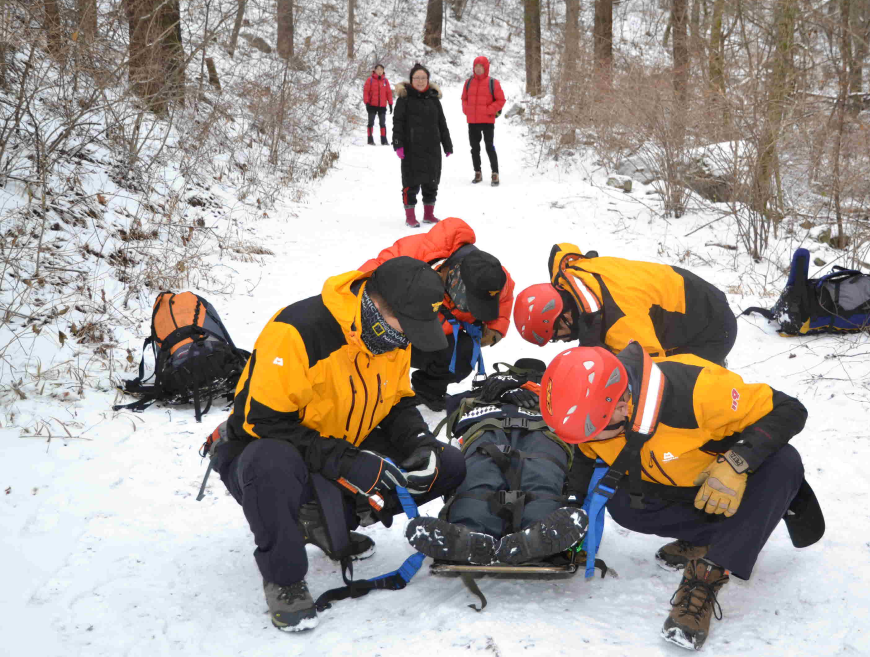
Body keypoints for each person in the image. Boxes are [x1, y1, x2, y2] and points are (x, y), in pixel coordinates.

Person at [208, 257, 467, 632]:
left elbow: (397, 401)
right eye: (410, 327)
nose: (412, 338)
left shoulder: (391, 336)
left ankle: (327, 521)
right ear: (380, 307)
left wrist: (419, 442)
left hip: (340, 441)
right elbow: (262, 423)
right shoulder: (297, 333)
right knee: (271, 463)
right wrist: (348, 462)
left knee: (448, 464)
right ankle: (284, 579)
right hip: (265, 450)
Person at [540, 343, 814, 651]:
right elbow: (585, 456)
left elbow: (791, 409)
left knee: (785, 462)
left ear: (621, 408)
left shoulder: (699, 390)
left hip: (731, 483)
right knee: (622, 503)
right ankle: (711, 537)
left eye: (592, 433)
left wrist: (737, 463)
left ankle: (705, 577)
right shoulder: (598, 413)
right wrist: (571, 506)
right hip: (678, 482)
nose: (588, 441)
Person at [404, 359, 589, 566]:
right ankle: (473, 536)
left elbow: (588, 405)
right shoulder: (491, 387)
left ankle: (531, 534)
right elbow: (455, 407)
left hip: (535, 430)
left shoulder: (559, 392)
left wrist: (534, 391)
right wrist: (493, 393)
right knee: (519, 473)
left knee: (492, 475)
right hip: (493, 426)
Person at [359, 217, 514, 412]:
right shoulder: (408, 258)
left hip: (434, 334)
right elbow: (361, 287)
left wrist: (495, 328)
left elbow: (505, 298)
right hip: (393, 331)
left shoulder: (492, 276)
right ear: (452, 276)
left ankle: (427, 390)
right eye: (471, 303)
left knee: (465, 352)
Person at [513, 243, 738, 366]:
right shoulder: (571, 273)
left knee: (681, 393)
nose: (561, 341)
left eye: (555, 336)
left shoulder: (619, 324)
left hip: (713, 327)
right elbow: (561, 249)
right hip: (690, 293)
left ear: (564, 317)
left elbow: (652, 375)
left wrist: (600, 352)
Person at [393, 63, 454, 228]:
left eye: (423, 78)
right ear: (411, 80)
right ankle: (410, 216)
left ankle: (428, 214)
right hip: (411, 148)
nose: (420, 81)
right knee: (411, 182)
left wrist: (447, 144)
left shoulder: (433, 99)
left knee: (431, 182)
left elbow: (442, 123)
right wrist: (398, 144)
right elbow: (398, 123)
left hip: (432, 148)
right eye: (417, 78)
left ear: (428, 80)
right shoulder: (404, 99)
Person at [461, 56, 506, 187]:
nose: (478, 69)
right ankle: (478, 172)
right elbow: (464, 99)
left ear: (486, 68)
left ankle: (495, 173)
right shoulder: (468, 83)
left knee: (489, 147)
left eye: (481, 66)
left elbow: (501, 100)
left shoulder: (493, 83)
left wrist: (488, 110)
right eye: (476, 66)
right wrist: (467, 110)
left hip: (487, 121)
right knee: (474, 148)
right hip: (472, 121)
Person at [363, 63, 394, 146]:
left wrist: (390, 104)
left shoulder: (385, 81)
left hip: (382, 106)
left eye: (381, 69)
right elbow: (366, 91)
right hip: (372, 105)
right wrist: (367, 102)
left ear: (383, 71)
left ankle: (384, 140)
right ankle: (370, 139)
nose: (380, 71)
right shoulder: (370, 80)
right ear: (375, 70)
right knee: (371, 122)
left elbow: (388, 93)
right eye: (378, 69)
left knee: (382, 123)